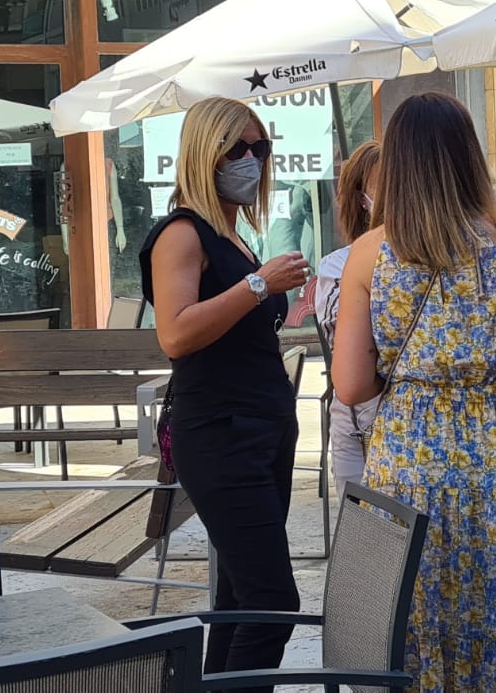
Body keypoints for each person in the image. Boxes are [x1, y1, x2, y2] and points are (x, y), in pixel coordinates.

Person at [332, 92, 496, 691]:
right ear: (470, 156)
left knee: (415, 606)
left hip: (408, 460)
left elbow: (350, 384)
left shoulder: (369, 253)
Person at [140, 97, 311, 686]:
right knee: (272, 603)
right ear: (203, 152)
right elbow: (176, 333)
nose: (250, 160)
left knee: (242, 599)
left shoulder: (231, 235)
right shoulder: (182, 233)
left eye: (259, 148)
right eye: (236, 148)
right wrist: (261, 285)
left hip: (259, 430)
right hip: (221, 433)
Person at [314, 140, 381, 495]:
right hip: (352, 416)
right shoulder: (337, 264)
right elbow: (339, 338)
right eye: (381, 186)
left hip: (398, 413)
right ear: (360, 200)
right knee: (358, 532)